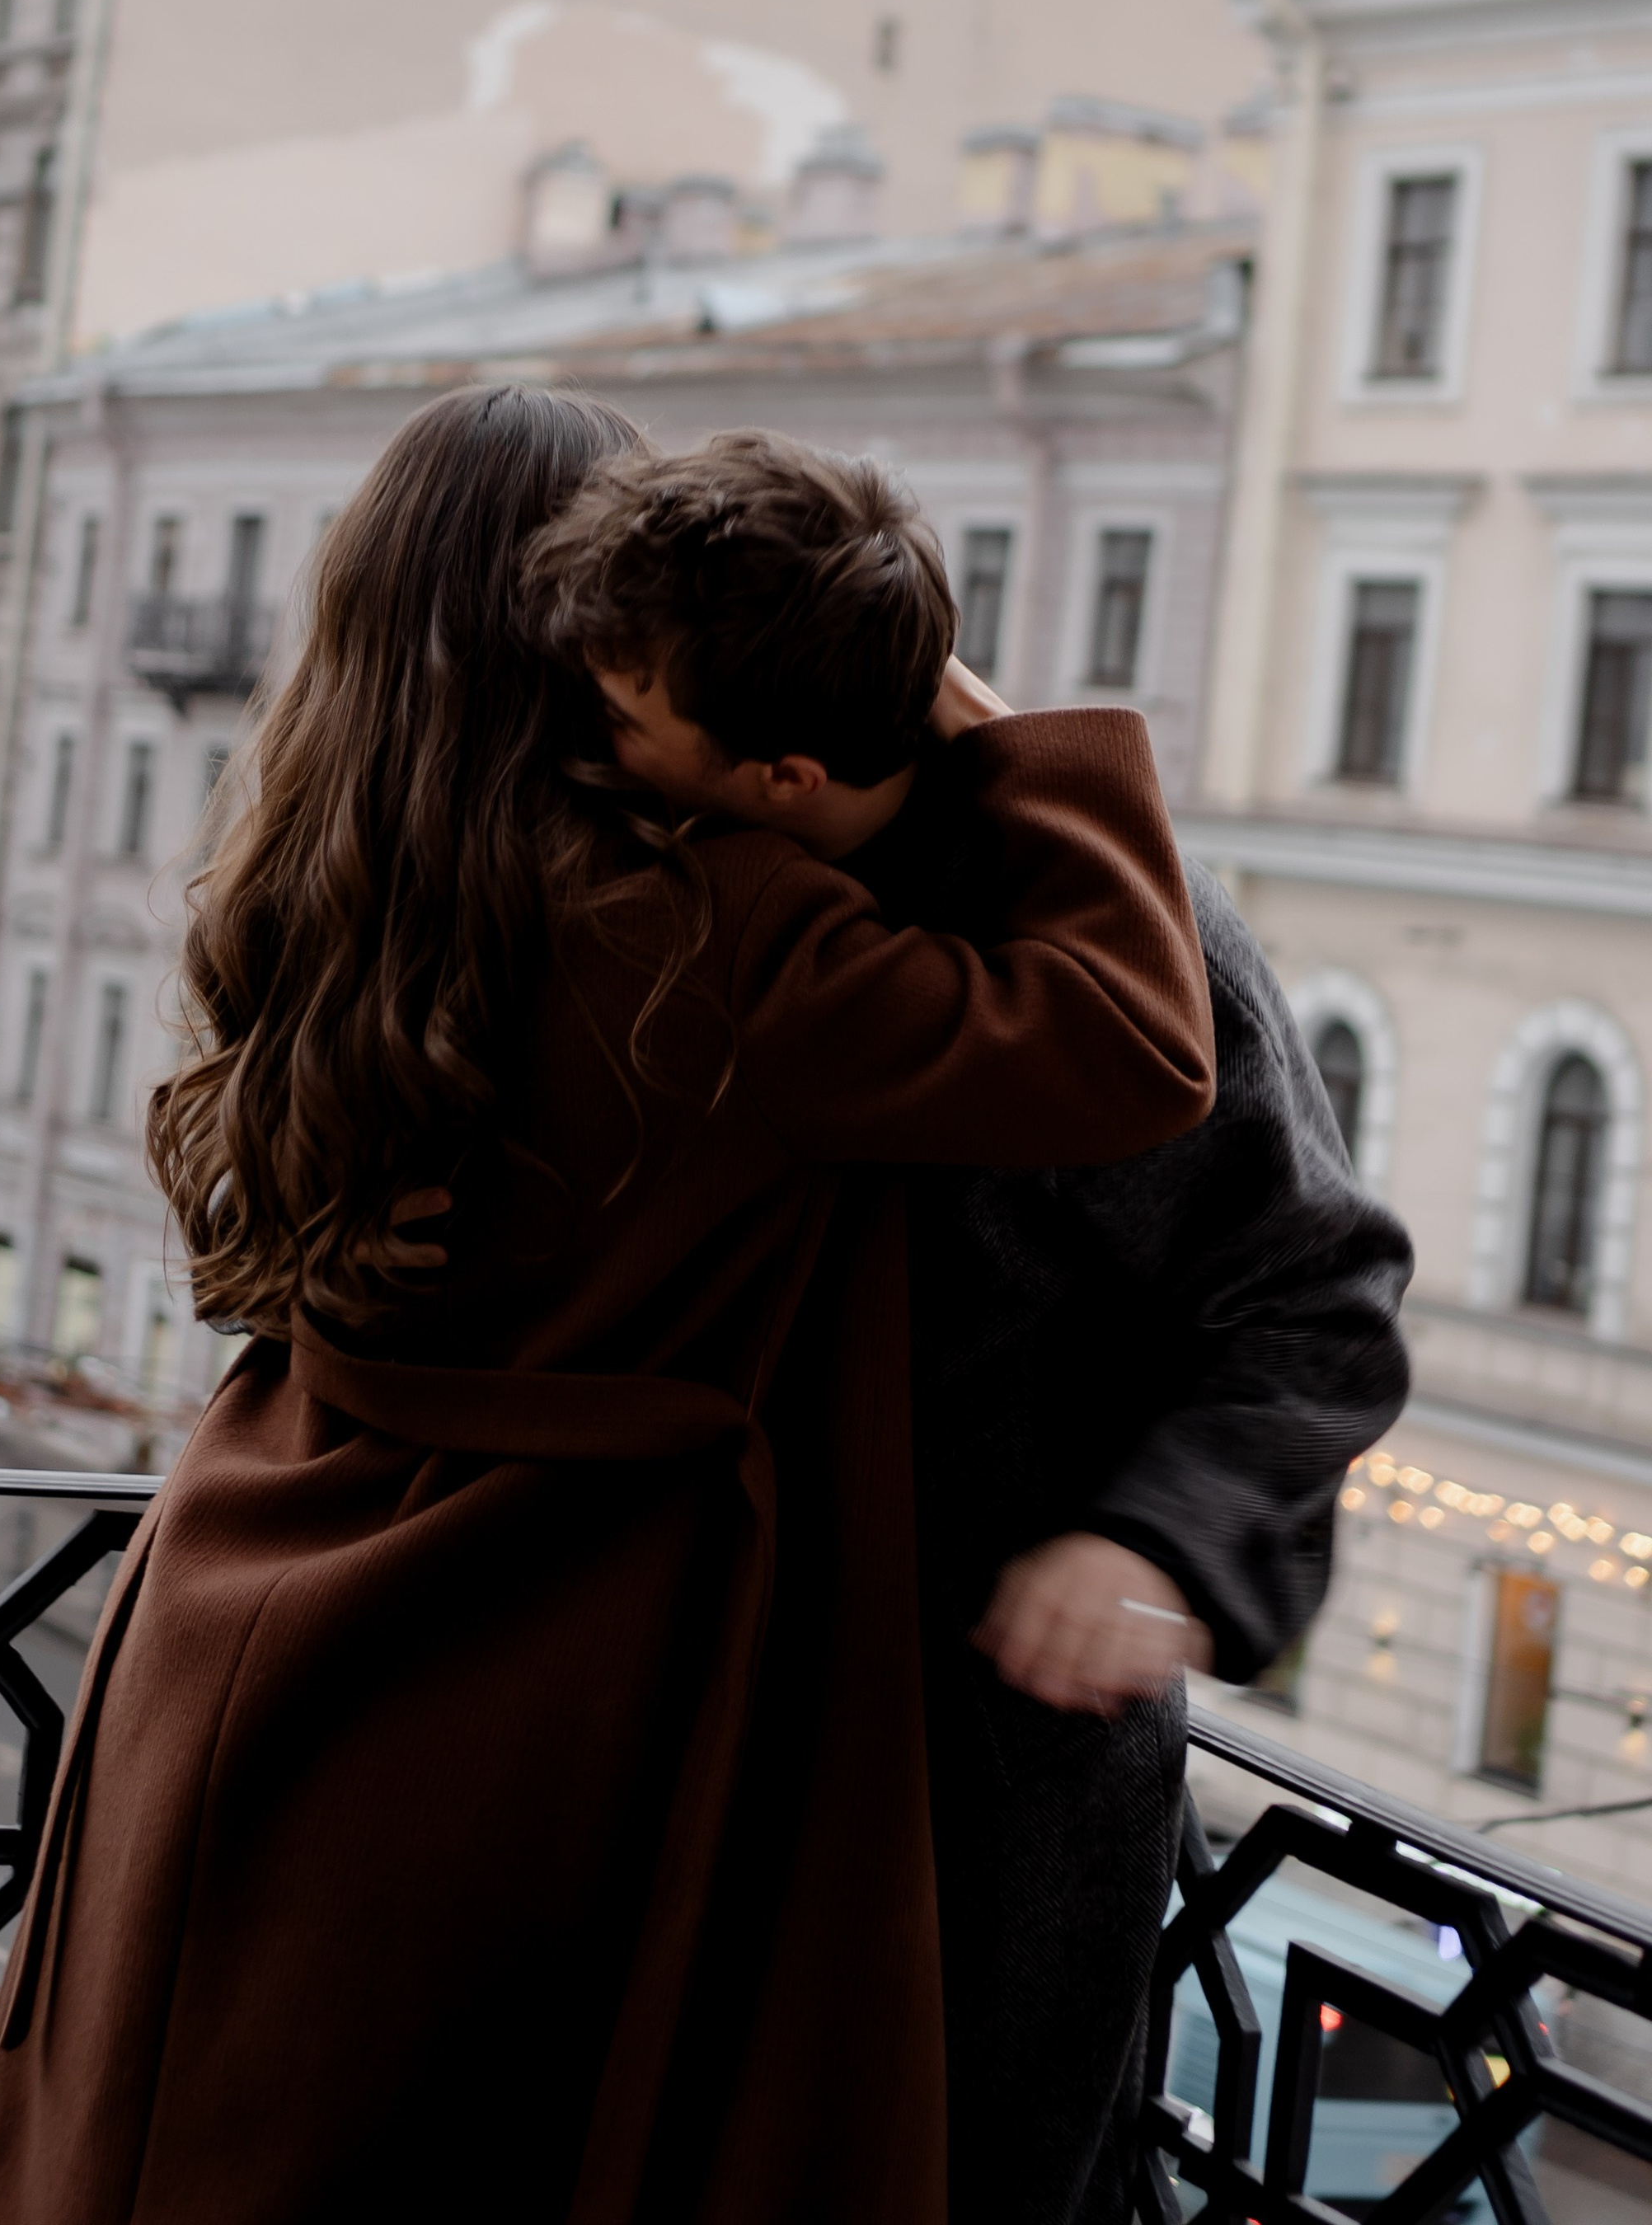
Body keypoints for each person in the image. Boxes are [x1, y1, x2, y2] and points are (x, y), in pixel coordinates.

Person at [0, 383, 1214, 2225]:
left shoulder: (312, 884)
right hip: (535, 1696)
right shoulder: (719, 933)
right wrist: (954, 707)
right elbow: (1130, 1043)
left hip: (226, 1624)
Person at [551, 428, 1413, 2224]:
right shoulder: (648, 868)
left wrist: (1145, 1539)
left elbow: (1315, 1302)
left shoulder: (1139, 964)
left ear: (781, 773)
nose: (581, 745)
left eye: (624, 715)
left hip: (980, 1800)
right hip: (684, 1727)